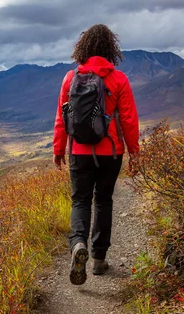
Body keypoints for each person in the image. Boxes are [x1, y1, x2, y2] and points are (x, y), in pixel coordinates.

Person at [53, 24, 140, 285]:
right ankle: (99, 260)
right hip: (110, 152)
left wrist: (58, 150)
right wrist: (134, 151)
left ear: (84, 47)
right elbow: (128, 119)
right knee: (103, 201)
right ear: (110, 48)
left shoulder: (70, 78)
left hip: (79, 150)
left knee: (80, 200)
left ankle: (78, 244)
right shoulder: (119, 79)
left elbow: (61, 118)